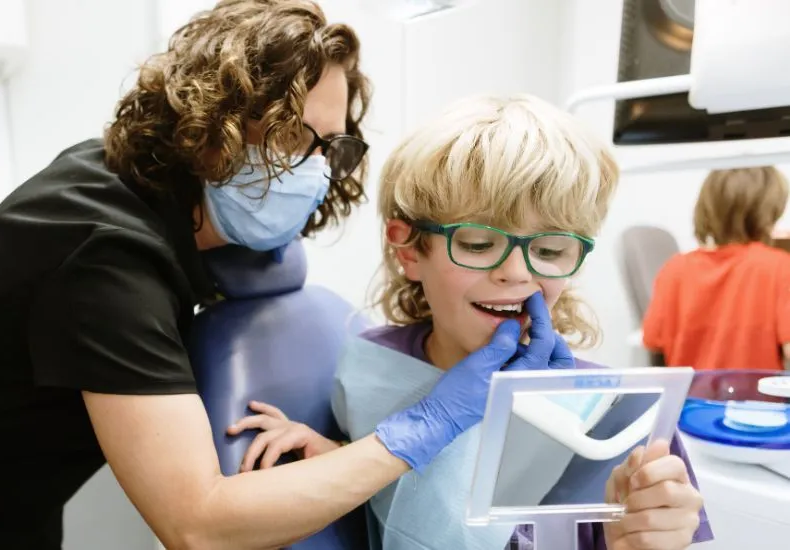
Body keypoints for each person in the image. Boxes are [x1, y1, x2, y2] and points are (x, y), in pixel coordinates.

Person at [0, 3, 571, 549]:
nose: (317, 169)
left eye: (329, 145)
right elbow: (198, 526)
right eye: (293, 135)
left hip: (8, 494)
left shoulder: (140, 182)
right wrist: (426, 424)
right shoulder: (104, 255)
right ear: (210, 122)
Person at [231, 95, 713, 549]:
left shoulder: (626, 419)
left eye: (550, 250)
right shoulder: (374, 365)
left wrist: (647, 534)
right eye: (479, 243)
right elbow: (406, 496)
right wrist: (332, 457)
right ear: (409, 250)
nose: (518, 273)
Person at [643, 167, 790, 371]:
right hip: (759, 401)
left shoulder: (674, 268)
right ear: (770, 211)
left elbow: (653, 342)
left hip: (690, 400)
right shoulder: (780, 267)